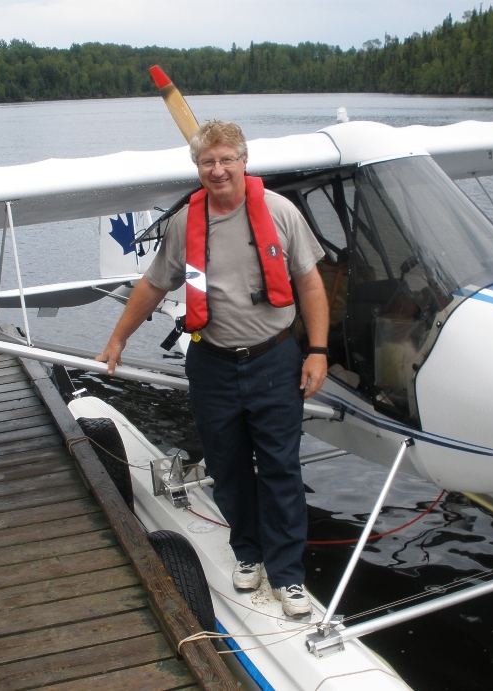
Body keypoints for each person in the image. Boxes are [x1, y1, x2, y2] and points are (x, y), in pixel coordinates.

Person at [97, 119, 329, 618]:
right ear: (198, 168)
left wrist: (318, 350)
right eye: (208, 162)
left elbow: (310, 284)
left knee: (280, 469)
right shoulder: (186, 223)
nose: (218, 170)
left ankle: (288, 575)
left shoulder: (280, 212)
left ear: (244, 162)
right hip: (213, 364)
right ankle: (249, 552)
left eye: (227, 159)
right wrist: (118, 339)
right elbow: (154, 285)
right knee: (226, 469)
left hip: (274, 358)